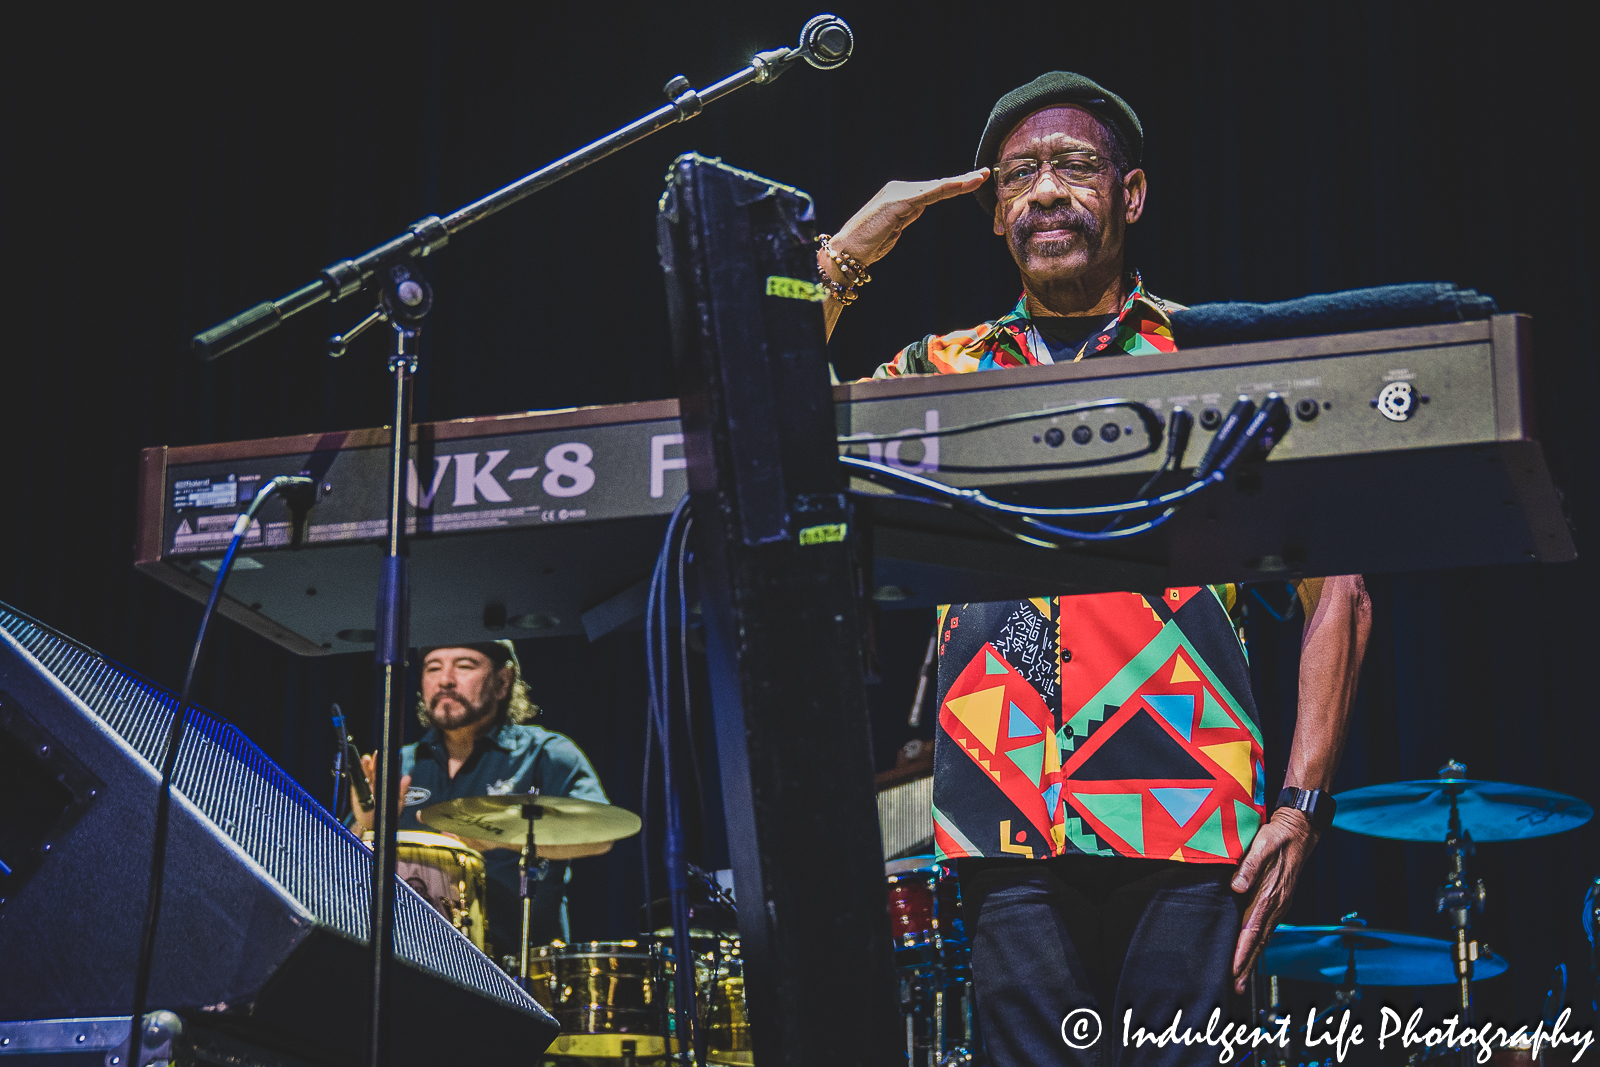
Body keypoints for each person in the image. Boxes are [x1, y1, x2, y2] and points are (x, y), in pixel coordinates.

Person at [821, 73, 1373, 1065]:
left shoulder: (1207, 354)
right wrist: (855, 246)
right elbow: (765, 411)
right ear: (995, 214)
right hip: (1004, 824)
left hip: (1190, 821)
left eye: (1074, 166)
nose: (1043, 191)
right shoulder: (942, 370)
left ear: (1131, 195)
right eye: (1019, 175)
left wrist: (1299, 803)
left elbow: (1337, 583)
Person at [349, 640, 609, 957]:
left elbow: (601, 836)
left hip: (521, 971)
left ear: (503, 682)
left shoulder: (546, 754)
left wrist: (497, 838)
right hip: (413, 960)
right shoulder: (399, 763)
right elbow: (346, 874)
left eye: (464, 665)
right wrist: (368, 827)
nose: (445, 679)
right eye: (433, 668)